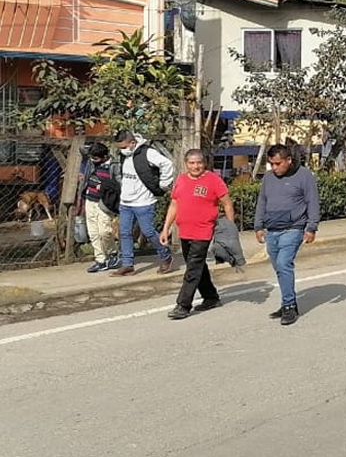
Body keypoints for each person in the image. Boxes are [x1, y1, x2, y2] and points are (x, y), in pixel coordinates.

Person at [160, 150, 234, 319]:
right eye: (192, 163)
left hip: (203, 231)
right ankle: (211, 297)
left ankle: (183, 305)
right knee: (197, 265)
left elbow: (227, 204)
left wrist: (230, 229)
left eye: (199, 162)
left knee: (193, 268)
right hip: (184, 231)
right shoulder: (181, 180)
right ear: (186, 164)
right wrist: (166, 228)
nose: (196, 166)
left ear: (204, 163)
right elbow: (174, 205)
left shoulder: (213, 180)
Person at [254, 144, 320, 325]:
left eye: (277, 164)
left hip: (293, 228)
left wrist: (311, 227)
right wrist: (258, 226)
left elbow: (312, 201)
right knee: (279, 268)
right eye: (271, 164)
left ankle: (289, 306)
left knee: (284, 264)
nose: (274, 168)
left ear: (288, 160)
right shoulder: (268, 178)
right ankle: (287, 303)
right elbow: (262, 201)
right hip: (272, 229)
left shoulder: (304, 175)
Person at [111, 130, 175, 277]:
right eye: (120, 148)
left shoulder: (147, 153)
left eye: (124, 147)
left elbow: (167, 164)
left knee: (148, 231)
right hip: (126, 202)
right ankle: (127, 264)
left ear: (133, 143)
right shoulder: (124, 155)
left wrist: (163, 184)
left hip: (144, 201)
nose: (122, 150)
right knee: (124, 232)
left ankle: (165, 255)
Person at [81, 143, 121, 273]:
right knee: (93, 232)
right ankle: (100, 260)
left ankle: (112, 253)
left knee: (104, 232)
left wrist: (104, 186)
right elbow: (82, 149)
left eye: (96, 158)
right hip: (90, 199)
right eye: (91, 157)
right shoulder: (91, 161)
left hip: (104, 202)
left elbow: (119, 185)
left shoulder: (114, 165)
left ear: (104, 156)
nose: (93, 160)